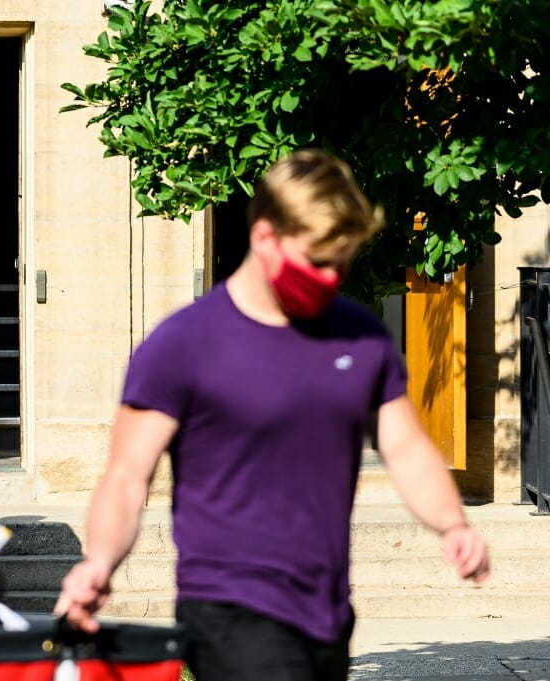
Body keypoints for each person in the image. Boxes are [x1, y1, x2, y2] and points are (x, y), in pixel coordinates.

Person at [54, 149, 491, 681]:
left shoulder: (360, 336)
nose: (332, 277)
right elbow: (127, 475)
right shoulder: (183, 345)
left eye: (342, 261)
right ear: (265, 239)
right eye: (318, 261)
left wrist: (452, 525)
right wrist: (99, 561)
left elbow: (404, 446)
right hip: (228, 606)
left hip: (327, 610)